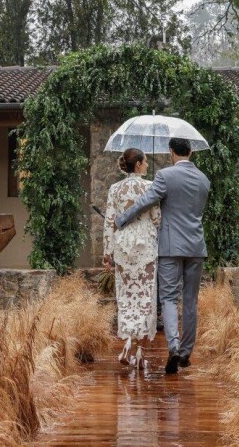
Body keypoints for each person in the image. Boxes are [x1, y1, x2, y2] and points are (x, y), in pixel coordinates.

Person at [115, 138, 210, 375]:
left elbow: (147, 201)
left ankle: (174, 346)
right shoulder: (204, 180)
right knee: (190, 301)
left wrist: (122, 219)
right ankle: (186, 353)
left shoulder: (165, 176)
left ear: (171, 153)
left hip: (170, 248)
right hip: (196, 247)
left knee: (168, 298)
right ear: (190, 152)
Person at [103, 148, 161, 370]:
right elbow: (156, 218)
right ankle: (139, 350)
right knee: (145, 298)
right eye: (145, 162)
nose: (147, 165)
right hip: (145, 245)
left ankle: (128, 341)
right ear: (137, 164)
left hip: (123, 247)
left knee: (127, 298)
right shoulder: (150, 187)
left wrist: (107, 253)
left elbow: (110, 221)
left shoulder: (115, 189)